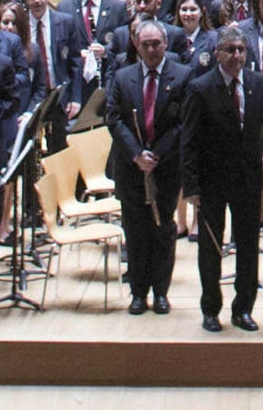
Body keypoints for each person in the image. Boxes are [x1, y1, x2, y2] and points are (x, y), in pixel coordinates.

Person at [182, 28, 263, 332]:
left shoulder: (257, 83)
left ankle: (243, 309)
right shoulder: (200, 88)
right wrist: (191, 186)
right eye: (230, 50)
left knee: (248, 244)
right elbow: (190, 141)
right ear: (218, 53)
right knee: (211, 247)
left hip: (247, 178)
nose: (236, 56)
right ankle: (211, 309)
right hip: (212, 180)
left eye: (241, 50)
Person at [109, 20, 193, 315]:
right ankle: (138, 292)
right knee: (135, 229)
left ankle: (160, 292)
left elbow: (184, 122)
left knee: (163, 229)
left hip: (166, 167)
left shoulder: (182, 76)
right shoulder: (122, 77)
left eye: (156, 44)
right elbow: (114, 120)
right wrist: (136, 155)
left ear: (166, 44)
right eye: (145, 44)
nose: (151, 49)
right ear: (136, 45)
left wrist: (155, 154)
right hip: (131, 168)